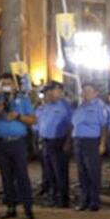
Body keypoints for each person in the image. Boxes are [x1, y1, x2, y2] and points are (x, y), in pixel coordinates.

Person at [0, 72, 37, 219]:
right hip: (2, 142)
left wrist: (18, 117)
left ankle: (28, 208)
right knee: (6, 176)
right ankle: (10, 207)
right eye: (3, 84)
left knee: (22, 175)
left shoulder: (23, 100)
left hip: (18, 142)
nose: (6, 87)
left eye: (9, 83)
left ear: (15, 85)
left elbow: (33, 120)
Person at [71, 81, 108, 212]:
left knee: (93, 172)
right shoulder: (79, 106)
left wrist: (102, 144)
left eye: (88, 91)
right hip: (78, 141)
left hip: (92, 142)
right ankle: (84, 200)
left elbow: (104, 126)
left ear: (95, 93)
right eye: (84, 91)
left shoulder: (99, 106)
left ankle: (94, 201)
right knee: (82, 173)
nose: (85, 93)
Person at [36, 81, 73, 209]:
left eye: (52, 91)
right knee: (49, 172)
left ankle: (63, 199)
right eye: (47, 92)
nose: (49, 94)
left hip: (60, 142)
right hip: (46, 142)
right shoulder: (43, 107)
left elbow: (70, 125)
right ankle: (53, 197)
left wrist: (68, 143)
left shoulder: (65, 106)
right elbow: (38, 125)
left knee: (60, 172)